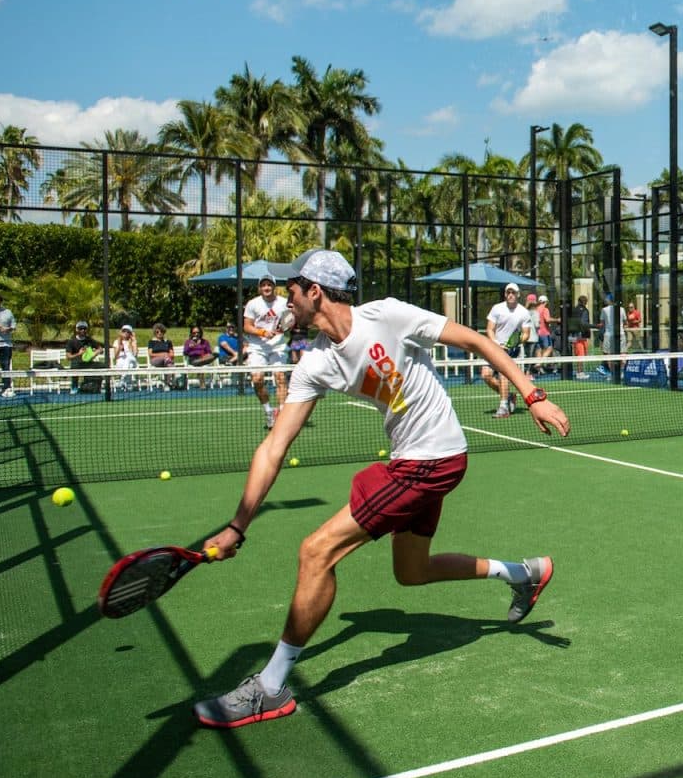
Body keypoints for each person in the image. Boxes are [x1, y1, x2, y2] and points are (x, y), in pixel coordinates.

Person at [192, 248, 570, 729]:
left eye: (292, 289)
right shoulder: (314, 365)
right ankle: (523, 573)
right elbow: (274, 447)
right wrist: (237, 525)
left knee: (316, 552)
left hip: (431, 459)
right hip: (418, 460)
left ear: (316, 292)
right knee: (411, 573)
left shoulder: (387, 316)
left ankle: (270, 687)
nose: (286, 298)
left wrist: (532, 395)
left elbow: (476, 341)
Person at [244, 275, 291, 428]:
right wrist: (263, 333)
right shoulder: (253, 304)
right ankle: (269, 411)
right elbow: (247, 326)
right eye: (263, 285)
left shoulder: (284, 303)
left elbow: (290, 320)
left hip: (278, 347)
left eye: (269, 285)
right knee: (257, 380)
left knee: (280, 378)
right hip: (257, 348)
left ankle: (283, 415)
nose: (266, 288)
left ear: (274, 287)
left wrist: (284, 327)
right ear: (259, 288)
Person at [482, 284, 530, 417]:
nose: (510, 295)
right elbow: (490, 329)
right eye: (508, 292)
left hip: (510, 351)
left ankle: (503, 407)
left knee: (503, 374)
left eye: (513, 293)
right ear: (505, 294)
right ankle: (509, 396)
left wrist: (516, 342)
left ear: (518, 295)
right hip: (493, 347)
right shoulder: (497, 309)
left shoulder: (523, 312)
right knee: (485, 375)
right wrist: (496, 343)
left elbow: (526, 333)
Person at [67, 319, 104, 393]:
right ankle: (74, 387)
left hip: (88, 363)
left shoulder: (89, 340)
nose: (83, 330)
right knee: (74, 366)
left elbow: (100, 349)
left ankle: (96, 386)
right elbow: (68, 357)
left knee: (103, 365)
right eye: (80, 328)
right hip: (77, 363)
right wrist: (79, 354)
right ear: (77, 329)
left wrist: (96, 352)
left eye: (84, 328)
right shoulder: (71, 341)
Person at [598, 293, 627, 378]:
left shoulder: (604, 310)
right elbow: (625, 322)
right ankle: (621, 372)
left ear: (609, 300)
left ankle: (613, 373)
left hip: (608, 335)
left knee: (608, 354)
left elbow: (602, 323)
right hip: (620, 334)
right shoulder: (622, 309)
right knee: (622, 353)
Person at [111, 324, 140, 390]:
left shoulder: (133, 342)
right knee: (129, 364)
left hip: (133, 360)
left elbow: (135, 354)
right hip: (121, 363)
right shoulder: (116, 342)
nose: (126, 333)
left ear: (130, 333)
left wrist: (134, 342)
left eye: (128, 332)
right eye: (124, 331)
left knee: (129, 359)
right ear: (121, 332)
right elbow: (116, 357)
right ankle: (128, 383)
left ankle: (123, 379)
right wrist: (119, 348)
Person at [534, 294, 554, 371]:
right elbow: (547, 319)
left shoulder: (535, 309)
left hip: (536, 333)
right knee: (549, 348)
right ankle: (539, 363)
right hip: (544, 333)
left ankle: (539, 368)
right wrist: (557, 320)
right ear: (545, 302)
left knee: (539, 349)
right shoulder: (545, 309)